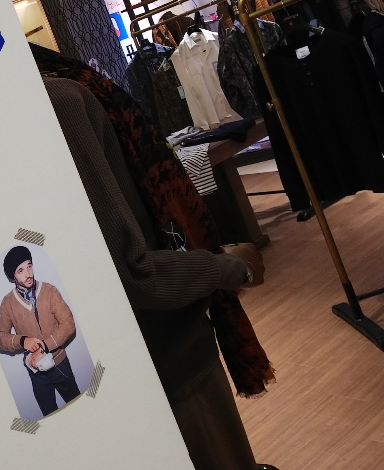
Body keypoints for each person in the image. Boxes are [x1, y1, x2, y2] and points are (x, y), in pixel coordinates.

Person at [44, 78, 275, 470]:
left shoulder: (7, 104)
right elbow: (133, 274)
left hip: (110, 371)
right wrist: (230, 266)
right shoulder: (59, 99)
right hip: (169, 361)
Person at [0, 245, 80, 417]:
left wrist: (44, 347)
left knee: (79, 408)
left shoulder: (49, 291)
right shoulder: (8, 303)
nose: (28, 273)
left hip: (60, 365)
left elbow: (68, 324)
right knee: (50, 417)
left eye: (29, 266)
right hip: (36, 373)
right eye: (20, 270)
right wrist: (22, 340)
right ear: (13, 276)